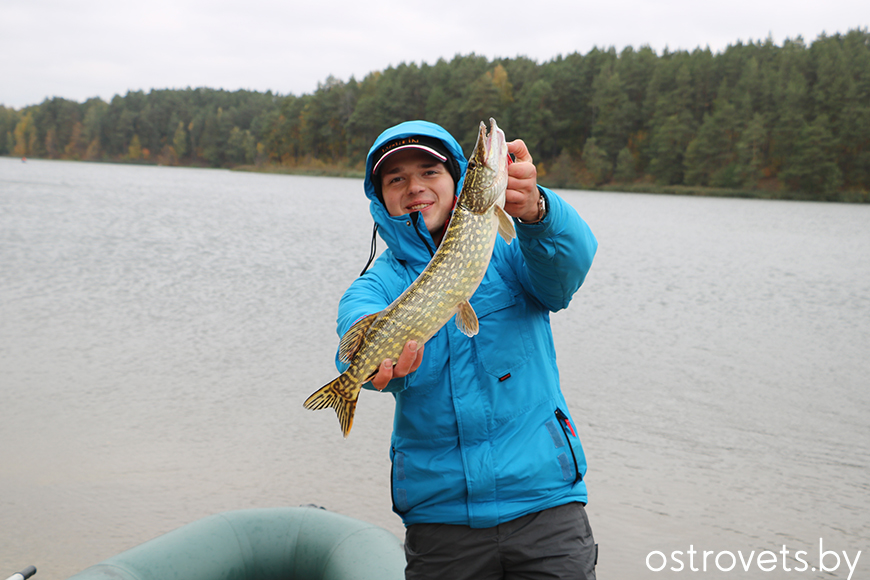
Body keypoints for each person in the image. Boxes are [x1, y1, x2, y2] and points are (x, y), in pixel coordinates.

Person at [335, 120, 598, 579]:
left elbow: (564, 275)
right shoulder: (376, 285)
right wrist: (373, 368)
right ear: (381, 198)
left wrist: (537, 210)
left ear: (459, 181)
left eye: (429, 172)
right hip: (440, 521)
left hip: (544, 505)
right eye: (396, 179)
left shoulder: (510, 246)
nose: (415, 187)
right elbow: (353, 335)